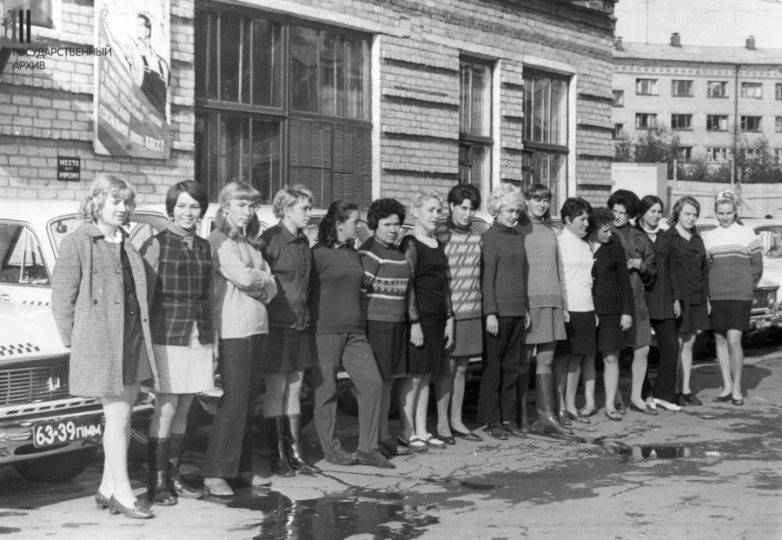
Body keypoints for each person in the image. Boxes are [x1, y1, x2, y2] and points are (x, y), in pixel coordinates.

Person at [51, 174, 158, 519]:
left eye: (127, 202)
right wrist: (77, 341)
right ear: (96, 202)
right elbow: (61, 297)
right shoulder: (78, 241)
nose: (123, 208)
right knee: (116, 416)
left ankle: (108, 487)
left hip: (131, 337)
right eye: (116, 201)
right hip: (101, 341)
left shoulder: (125, 241)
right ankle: (124, 493)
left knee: (125, 416)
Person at [202, 182, 278, 497]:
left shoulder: (250, 242)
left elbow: (273, 287)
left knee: (248, 402)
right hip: (234, 329)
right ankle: (215, 473)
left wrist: (260, 281)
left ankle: (241, 468)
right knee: (234, 401)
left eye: (252, 206)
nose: (247, 212)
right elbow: (247, 277)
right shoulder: (218, 240)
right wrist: (261, 279)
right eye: (241, 205)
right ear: (225, 207)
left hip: (258, 327)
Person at [140, 181, 213, 505]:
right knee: (167, 407)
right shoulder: (156, 244)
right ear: (171, 209)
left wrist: (213, 340)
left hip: (198, 335)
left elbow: (209, 295)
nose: (188, 212)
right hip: (167, 335)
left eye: (194, 206)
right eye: (181, 205)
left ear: (202, 210)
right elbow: (143, 296)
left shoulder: (204, 246)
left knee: (184, 407)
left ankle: (174, 475)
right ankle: (157, 482)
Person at [311, 201, 392, 469]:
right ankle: (331, 449)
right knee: (327, 390)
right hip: (325, 332)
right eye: (355, 222)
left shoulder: (353, 252)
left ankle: (368, 448)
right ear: (338, 223)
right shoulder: (318, 254)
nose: (358, 227)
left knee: (372, 383)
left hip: (355, 332)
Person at [260, 185, 320, 474]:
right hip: (277, 328)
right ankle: (278, 455)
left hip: (301, 325)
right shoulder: (270, 240)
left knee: (295, 389)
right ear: (286, 210)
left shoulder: (303, 241)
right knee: (276, 390)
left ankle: (295, 453)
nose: (309, 213)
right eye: (304, 208)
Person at [398, 190, 454, 452]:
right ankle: (406, 431)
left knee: (427, 374)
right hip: (418, 319)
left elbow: (444, 285)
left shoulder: (436, 243)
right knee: (415, 376)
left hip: (437, 318)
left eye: (438, 210)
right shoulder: (410, 244)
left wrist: (450, 318)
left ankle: (422, 429)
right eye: (430, 210)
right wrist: (414, 322)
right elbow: (408, 285)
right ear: (415, 212)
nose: (436, 215)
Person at [359, 198, 411, 457]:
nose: (393, 229)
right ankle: (373, 439)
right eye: (387, 224)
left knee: (388, 382)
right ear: (374, 225)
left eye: (397, 224)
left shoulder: (398, 253)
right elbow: (360, 291)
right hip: (376, 326)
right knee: (377, 383)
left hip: (396, 324)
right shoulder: (369, 252)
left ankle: (383, 435)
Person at [478, 183, 529, 439]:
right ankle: (492, 420)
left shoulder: (517, 237)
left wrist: (525, 308)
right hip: (497, 315)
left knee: (512, 368)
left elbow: (522, 275)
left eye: (517, 211)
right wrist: (490, 313)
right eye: (509, 211)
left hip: (518, 311)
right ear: (496, 210)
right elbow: (487, 279)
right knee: (494, 370)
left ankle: (509, 418)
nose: (514, 216)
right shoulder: (489, 238)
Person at [518, 184, 569, 436]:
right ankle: (521, 415)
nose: (541, 204)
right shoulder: (519, 230)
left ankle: (546, 415)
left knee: (546, 359)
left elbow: (559, 268)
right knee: (524, 360)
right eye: (536, 199)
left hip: (552, 302)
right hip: (529, 303)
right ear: (526, 201)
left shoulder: (551, 232)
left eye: (545, 200)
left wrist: (564, 304)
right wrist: (522, 306)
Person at [703, 190, 762, 406]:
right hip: (717, 296)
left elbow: (757, 267)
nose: (725, 217)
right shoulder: (709, 237)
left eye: (728, 213)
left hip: (739, 296)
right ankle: (726, 386)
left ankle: (737, 388)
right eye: (721, 213)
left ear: (735, 212)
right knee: (719, 339)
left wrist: (746, 288)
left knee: (734, 340)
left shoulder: (747, 233)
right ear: (715, 213)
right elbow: (707, 268)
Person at [435, 184, 484, 443]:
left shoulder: (478, 236)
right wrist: (447, 314)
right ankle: (442, 422)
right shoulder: (441, 234)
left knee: (463, 368)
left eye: (472, 208)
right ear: (451, 206)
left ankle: (457, 420)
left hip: (472, 309)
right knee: (448, 368)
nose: (468, 213)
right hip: (449, 312)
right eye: (463, 208)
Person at [607, 190, 657, 415]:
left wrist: (640, 265)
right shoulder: (605, 233)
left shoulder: (639, 236)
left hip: (637, 298)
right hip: (614, 297)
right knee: (614, 349)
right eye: (615, 211)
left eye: (623, 213)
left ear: (631, 214)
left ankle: (637, 396)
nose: (618, 216)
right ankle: (615, 396)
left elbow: (652, 269)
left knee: (642, 347)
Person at [636, 195, 681, 411]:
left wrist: (676, 298)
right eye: (652, 211)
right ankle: (644, 394)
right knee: (642, 348)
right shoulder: (634, 234)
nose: (656, 215)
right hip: (642, 298)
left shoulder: (665, 236)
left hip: (664, 299)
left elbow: (673, 269)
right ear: (642, 212)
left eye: (659, 212)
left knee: (671, 345)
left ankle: (664, 395)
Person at [588, 207, 633, 421]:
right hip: (586, 307)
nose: (609, 234)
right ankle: (589, 403)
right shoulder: (582, 245)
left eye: (610, 230)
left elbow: (625, 282)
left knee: (611, 356)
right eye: (605, 231)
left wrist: (626, 312)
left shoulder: (614, 247)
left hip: (611, 309)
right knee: (587, 356)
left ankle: (610, 403)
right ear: (593, 229)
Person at [555, 197, 597, 424]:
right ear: (567, 219)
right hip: (568, 308)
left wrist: (593, 309)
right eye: (581, 219)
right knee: (563, 358)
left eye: (587, 219)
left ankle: (571, 404)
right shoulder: (559, 243)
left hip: (586, 307)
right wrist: (561, 307)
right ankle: (559, 406)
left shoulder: (585, 245)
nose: (586, 224)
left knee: (578, 358)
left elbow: (588, 280)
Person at [668, 196, 710, 407]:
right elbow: (669, 271)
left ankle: (686, 388)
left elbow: (704, 271)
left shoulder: (697, 238)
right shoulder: (669, 237)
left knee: (690, 342)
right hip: (678, 298)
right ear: (678, 213)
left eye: (694, 214)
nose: (691, 218)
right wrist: (674, 298)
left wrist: (706, 298)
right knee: (677, 343)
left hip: (696, 297)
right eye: (687, 214)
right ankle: (673, 389)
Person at [126, 13, 170, 117]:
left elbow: (166, 96)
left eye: (140, 25)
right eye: (136, 26)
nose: (137, 29)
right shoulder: (133, 59)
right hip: (139, 120)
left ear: (148, 30)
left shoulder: (163, 65)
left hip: (158, 123)